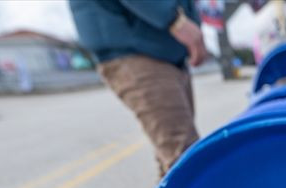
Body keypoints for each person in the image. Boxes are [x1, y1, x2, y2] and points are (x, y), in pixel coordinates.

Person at [69, 0, 210, 178]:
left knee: (176, 162)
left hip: (163, 47)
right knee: (185, 160)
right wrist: (174, 19)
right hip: (135, 46)